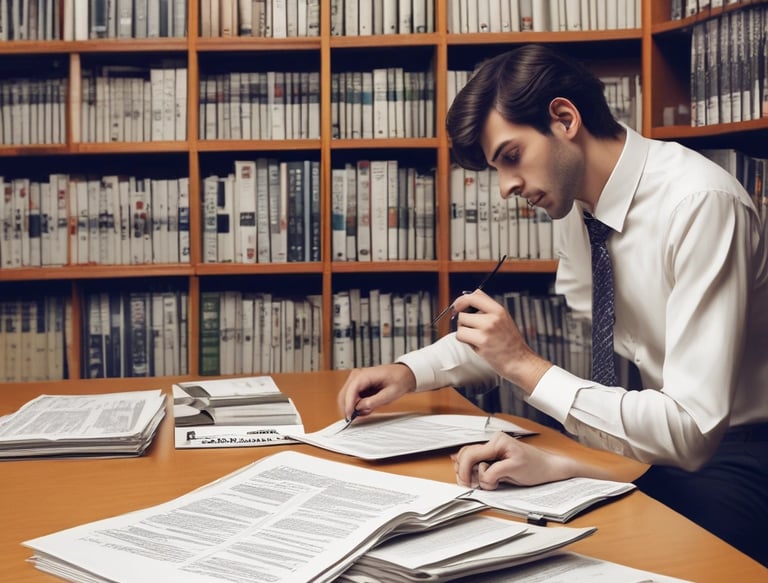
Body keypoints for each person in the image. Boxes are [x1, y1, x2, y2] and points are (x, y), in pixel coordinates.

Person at [337, 44, 768, 566]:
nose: (505, 188)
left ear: (564, 118)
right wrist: (410, 371)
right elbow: (546, 342)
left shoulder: (700, 204)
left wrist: (522, 368)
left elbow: (690, 432)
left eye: (511, 157)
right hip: (654, 449)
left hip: (742, 458)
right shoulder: (578, 207)